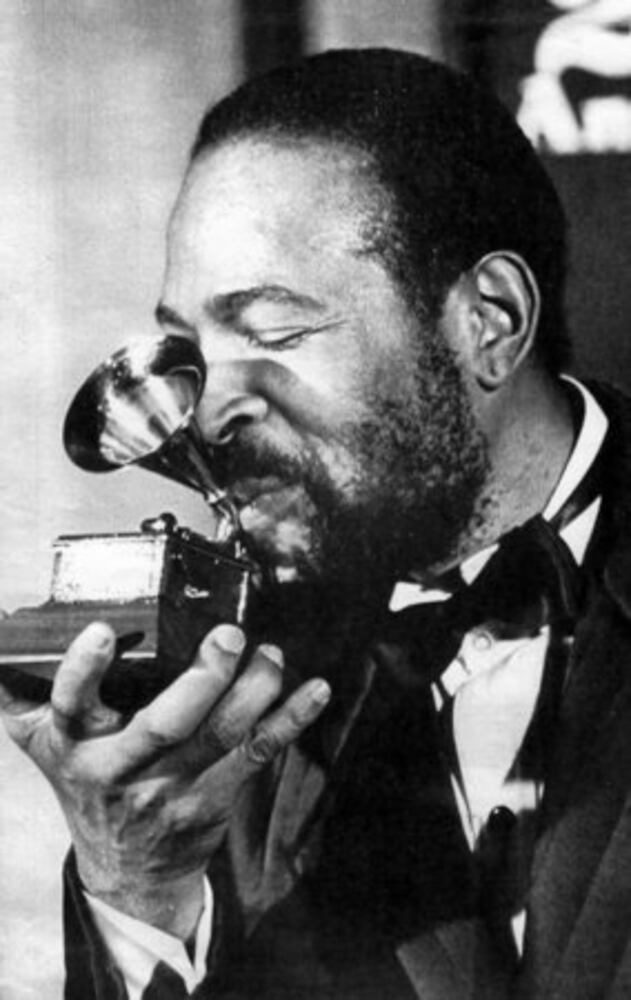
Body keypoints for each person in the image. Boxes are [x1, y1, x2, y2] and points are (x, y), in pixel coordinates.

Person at [1, 47, 631, 1000]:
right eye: (188, 346)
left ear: (490, 323)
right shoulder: (226, 707)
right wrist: (137, 890)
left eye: (275, 331)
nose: (208, 413)